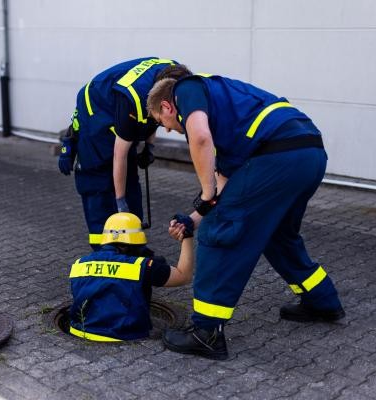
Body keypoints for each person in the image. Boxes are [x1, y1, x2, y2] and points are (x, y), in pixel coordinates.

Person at [146, 74, 345, 360]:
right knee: (278, 236)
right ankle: (322, 301)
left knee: (219, 233)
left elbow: (200, 140)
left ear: (167, 106)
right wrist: (193, 218)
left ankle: (206, 334)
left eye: (161, 122)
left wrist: (205, 197)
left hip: (278, 154)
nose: (166, 130)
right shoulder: (229, 123)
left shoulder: (186, 88)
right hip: (308, 152)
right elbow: (223, 194)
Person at [58, 58, 193, 250]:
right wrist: (120, 203)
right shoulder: (131, 98)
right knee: (98, 181)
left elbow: (153, 118)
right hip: (97, 111)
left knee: (129, 180)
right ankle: (105, 250)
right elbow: (119, 155)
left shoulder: (178, 77)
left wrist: (149, 147)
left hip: (119, 107)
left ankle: (133, 245)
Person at [69, 212, 195, 342]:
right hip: (121, 336)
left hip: (79, 330)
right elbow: (183, 276)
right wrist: (187, 236)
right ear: (136, 242)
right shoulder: (142, 267)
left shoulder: (79, 264)